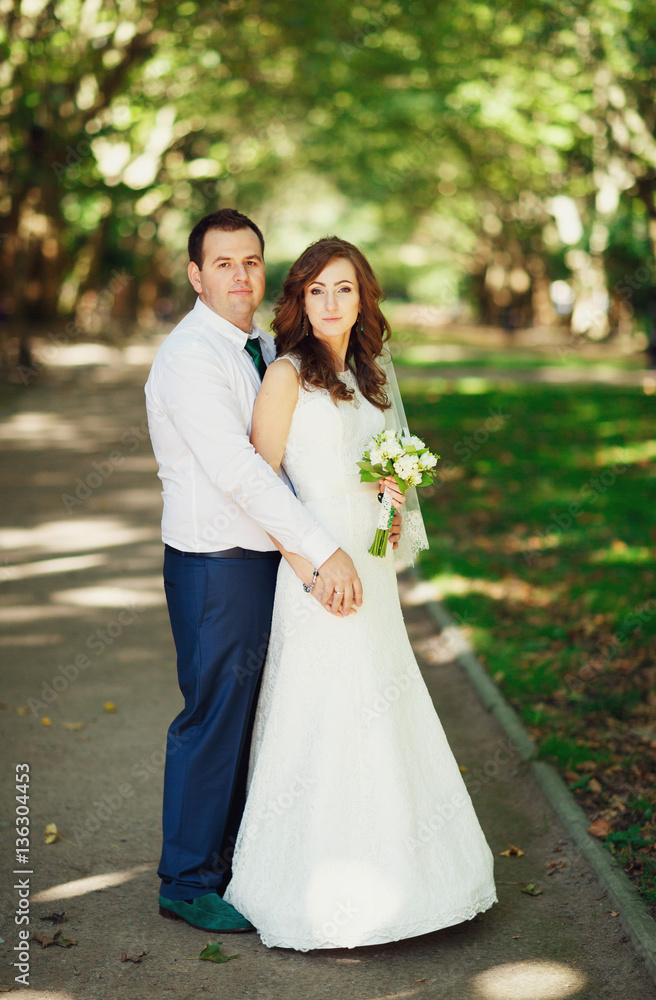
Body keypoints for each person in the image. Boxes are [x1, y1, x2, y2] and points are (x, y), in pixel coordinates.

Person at [224, 237, 497, 950]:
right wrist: (312, 566)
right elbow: (261, 486)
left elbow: (384, 469)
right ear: (299, 300)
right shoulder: (285, 376)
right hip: (316, 563)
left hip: (368, 563)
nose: (330, 302)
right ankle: (316, 886)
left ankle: (411, 879)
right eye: (316, 290)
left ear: (362, 297)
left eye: (343, 288)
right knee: (322, 710)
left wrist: (391, 489)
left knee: (382, 698)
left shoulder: (373, 375)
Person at [145, 210, 402, 934]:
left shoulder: (260, 344)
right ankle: (187, 879)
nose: (240, 275)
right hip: (214, 561)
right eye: (223, 263)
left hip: (266, 558)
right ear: (196, 275)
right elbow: (241, 473)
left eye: (251, 261)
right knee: (212, 715)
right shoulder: (192, 355)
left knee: (257, 714)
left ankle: (228, 860)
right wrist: (324, 549)